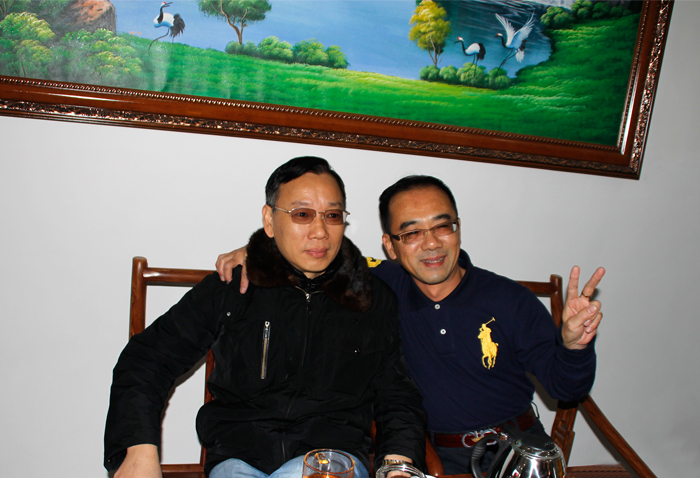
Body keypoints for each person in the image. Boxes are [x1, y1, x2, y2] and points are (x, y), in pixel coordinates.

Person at [216, 174, 605, 474]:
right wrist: (258, 250)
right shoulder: (381, 286)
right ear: (390, 245)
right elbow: (314, 254)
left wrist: (574, 347)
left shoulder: (509, 299)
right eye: (412, 232)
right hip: (433, 455)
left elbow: (566, 389)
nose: (431, 243)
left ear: (457, 228)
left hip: (516, 450)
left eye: (442, 226)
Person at [104, 157, 426, 478]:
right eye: (302, 214)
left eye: (332, 215)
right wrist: (137, 449)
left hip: (329, 460)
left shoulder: (369, 297)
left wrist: (399, 464)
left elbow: (397, 396)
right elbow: (146, 360)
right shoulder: (235, 287)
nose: (320, 231)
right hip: (240, 458)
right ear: (269, 221)